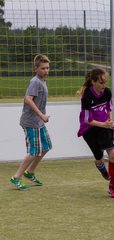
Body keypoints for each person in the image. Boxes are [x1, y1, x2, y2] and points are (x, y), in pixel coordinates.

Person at [10, 54, 52, 190]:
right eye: (43, 68)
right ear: (36, 69)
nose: (46, 71)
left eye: (47, 68)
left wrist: (41, 117)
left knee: (46, 146)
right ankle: (16, 178)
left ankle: (30, 172)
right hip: (31, 122)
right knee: (33, 151)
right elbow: (28, 99)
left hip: (39, 122)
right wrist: (41, 115)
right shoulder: (35, 82)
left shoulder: (42, 81)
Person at [77, 68, 114, 198]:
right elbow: (87, 120)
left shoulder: (107, 92)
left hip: (104, 127)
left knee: (113, 155)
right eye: (101, 83)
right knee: (99, 159)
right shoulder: (87, 97)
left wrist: (110, 122)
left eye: (105, 82)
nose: (104, 85)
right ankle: (101, 168)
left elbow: (108, 107)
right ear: (93, 82)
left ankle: (112, 186)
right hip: (89, 130)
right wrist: (104, 124)